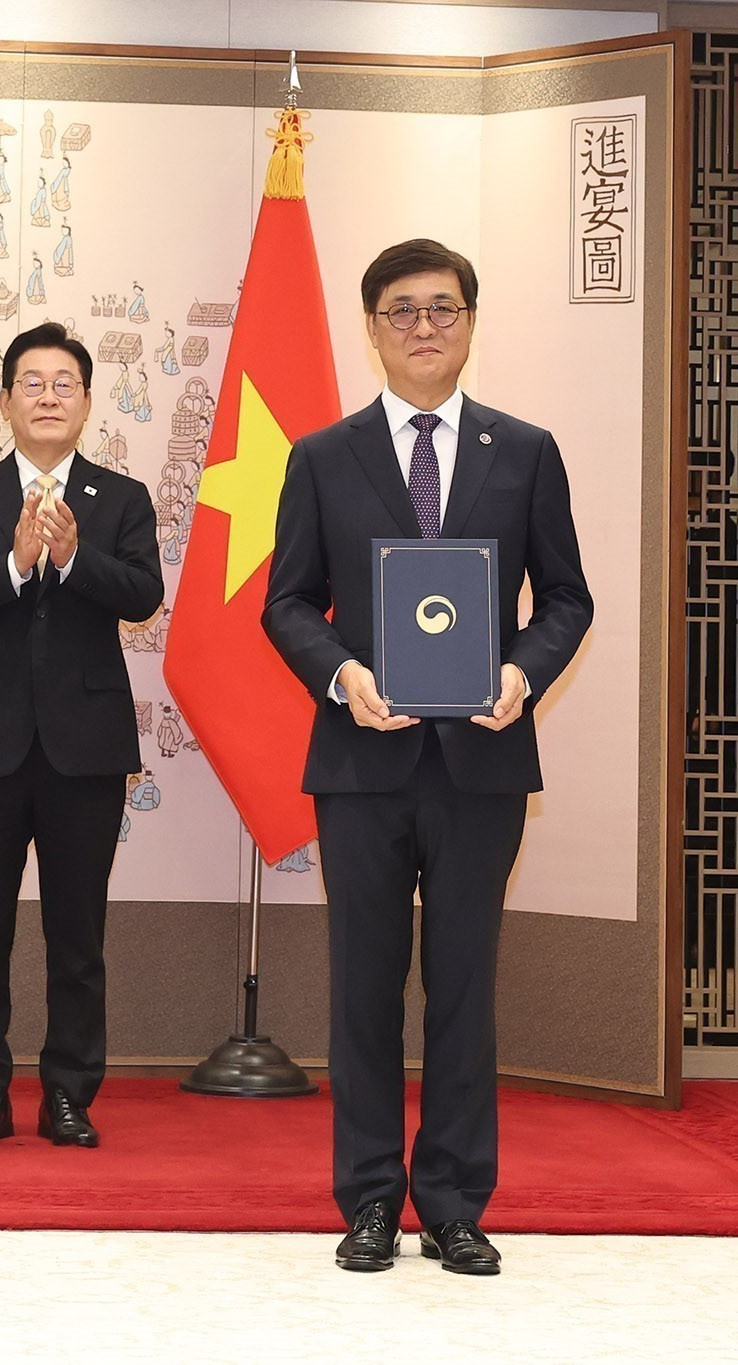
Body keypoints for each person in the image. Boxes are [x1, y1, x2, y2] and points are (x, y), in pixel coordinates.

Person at [262, 240, 593, 1276]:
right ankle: (366, 1201)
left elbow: (567, 598)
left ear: (468, 321)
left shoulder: (524, 450)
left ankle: (452, 1203)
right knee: (363, 988)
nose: (422, 328)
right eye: (400, 310)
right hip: (360, 763)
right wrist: (342, 673)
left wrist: (521, 673)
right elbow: (284, 602)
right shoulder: (323, 454)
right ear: (372, 327)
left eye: (441, 308)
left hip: (480, 764)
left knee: (461, 986)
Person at [0, 320, 163, 1150]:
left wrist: (70, 557)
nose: (49, 395)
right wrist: (16, 566)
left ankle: (69, 1094)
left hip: (85, 748)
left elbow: (140, 595)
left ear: (87, 402)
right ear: (5, 401)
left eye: (64, 383)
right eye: (32, 382)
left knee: (77, 933)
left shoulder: (120, 498)